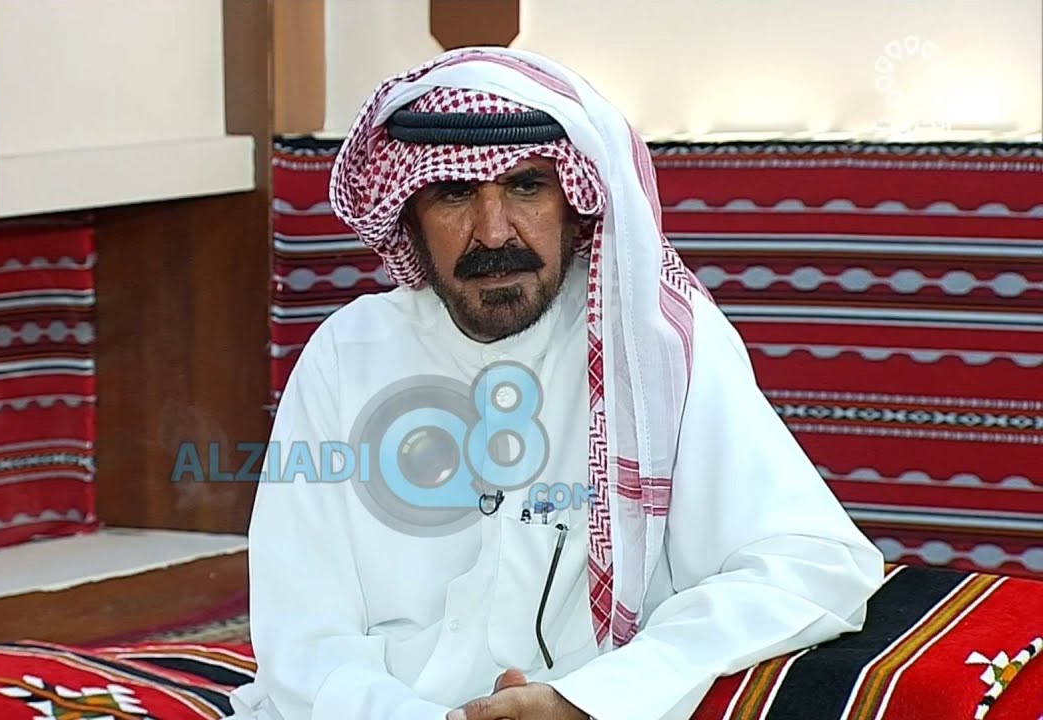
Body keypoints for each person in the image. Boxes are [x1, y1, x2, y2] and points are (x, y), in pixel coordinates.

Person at [229, 47, 884, 720]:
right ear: (409, 216)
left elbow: (813, 565)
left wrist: (593, 697)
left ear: (575, 202)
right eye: (454, 193)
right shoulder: (347, 357)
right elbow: (303, 639)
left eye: (526, 187)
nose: (493, 233)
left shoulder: (655, 344)